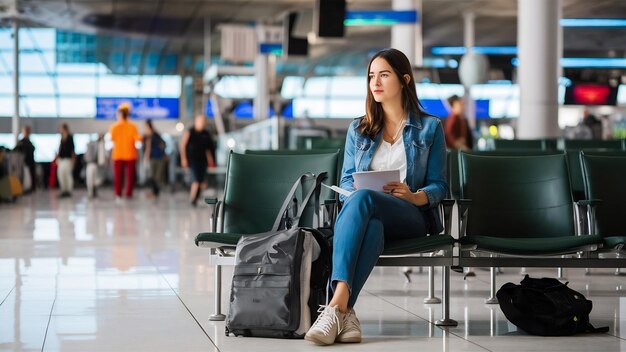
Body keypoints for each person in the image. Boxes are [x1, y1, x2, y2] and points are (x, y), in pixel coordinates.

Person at [304, 48, 448, 345]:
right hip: (369, 215)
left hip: (410, 216)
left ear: (404, 79)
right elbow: (346, 179)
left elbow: (439, 185)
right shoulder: (359, 128)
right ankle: (344, 311)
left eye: (384, 75)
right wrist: (356, 192)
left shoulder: (430, 128)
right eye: (371, 76)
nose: (375, 82)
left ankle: (333, 307)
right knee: (370, 221)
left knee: (363, 200)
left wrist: (414, 196)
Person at [179, 115, 215, 207]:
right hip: (193, 160)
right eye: (200, 121)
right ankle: (192, 199)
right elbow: (183, 145)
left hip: (203, 160)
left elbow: (209, 149)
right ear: (196, 121)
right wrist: (183, 159)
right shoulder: (190, 132)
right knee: (196, 180)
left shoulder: (206, 134)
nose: (202, 123)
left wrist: (211, 161)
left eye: (203, 121)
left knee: (201, 181)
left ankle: (196, 198)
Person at [109, 103, 142, 202]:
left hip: (118, 155)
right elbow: (137, 140)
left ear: (119, 113)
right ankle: (128, 193)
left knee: (118, 176)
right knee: (130, 176)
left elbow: (111, 140)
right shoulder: (133, 126)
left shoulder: (114, 127)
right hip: (130, 155)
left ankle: (118, 194)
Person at [143, 119, 168, 198]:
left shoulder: (153, 135)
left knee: (157, 177)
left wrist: (146, 157)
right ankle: (154, 193)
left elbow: (149, 147)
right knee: (153, 177)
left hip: (159, 158)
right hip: (154, 158)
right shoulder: (150, 135)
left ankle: (155, 193)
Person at [56, 123, 75, 198]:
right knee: (61, 174)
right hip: (61, 160)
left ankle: (68, 190)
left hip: (68, 159)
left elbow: (73, 150)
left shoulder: (70, 138)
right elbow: (60, 150)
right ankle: (63, 190)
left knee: (67, 175)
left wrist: (73, 160)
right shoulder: (61, 138)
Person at [15, 125, 36, 192]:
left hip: (31, 162)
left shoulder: (30, 142)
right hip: (24, 163)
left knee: (31, 175)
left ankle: (31, 188)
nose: (26, 132)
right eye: (25, 131)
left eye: (27, 131)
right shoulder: (21, 142)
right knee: (25, 176)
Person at [84, 134, 106, 198]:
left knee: (96, 180)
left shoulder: (102, 145)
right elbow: (87, 154)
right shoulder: (92, 144)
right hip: (91, 163)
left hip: (98, 165)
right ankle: (90, 193)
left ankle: (94, 191)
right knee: (89, 179)